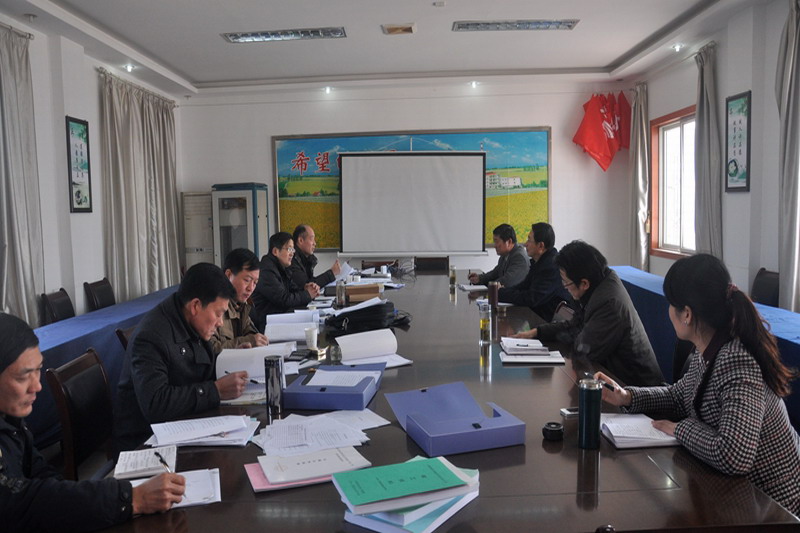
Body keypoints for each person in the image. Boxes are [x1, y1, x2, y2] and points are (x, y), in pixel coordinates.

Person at [596, 254, 800, 514]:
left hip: (775, 507)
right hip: (738, 494)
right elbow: (679, 396)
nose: (668, 311)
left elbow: (734, 455)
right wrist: (627, 396)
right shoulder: (709, 346)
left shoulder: (737, 361)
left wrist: (679, 429)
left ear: (687, 314)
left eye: (671, 304)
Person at [0, 313, 185, 531]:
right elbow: (20, 502)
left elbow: (42, 476)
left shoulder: (10, 418)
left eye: (38, 369)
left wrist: (86, 502)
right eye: (23, 377)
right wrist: (131, 498)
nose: (37, 386)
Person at [114, 263, 248, 452]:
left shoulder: (188, 320)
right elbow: (156, 404)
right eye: (218, 314)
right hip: (146, 443)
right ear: (195, 306)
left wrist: (230, 359)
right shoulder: (151, 336)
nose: (220, 323)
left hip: (182, 425)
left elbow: (201, 365)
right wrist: (215, 391)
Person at [514, 240, 664, 387]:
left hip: (634, 388)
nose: (564, 287)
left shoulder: (608, 303)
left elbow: (585, 349)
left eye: (566, 282)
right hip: (610, 377)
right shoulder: (599, 283)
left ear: (584, 283)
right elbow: (575, 326)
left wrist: (572, 335)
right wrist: (537, 332)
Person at [497, 222, 572, 321]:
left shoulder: (551, 266)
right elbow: (523, 286)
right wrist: (501, 292)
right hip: (536, 316)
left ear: (540, 246)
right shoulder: (538, 262)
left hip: (546, 321)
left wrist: (501, 293)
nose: (525, 244)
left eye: (529, 240)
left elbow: (532, 298)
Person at [251, 232, 321, 332]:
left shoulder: (282, 267)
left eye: (293, 250)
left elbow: (292, 290)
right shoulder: (266, 270)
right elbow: (283, 299)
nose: (292, 253)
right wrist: (307, 294)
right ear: (275, 251)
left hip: (280, 319)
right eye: (289, 249)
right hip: (268, 326)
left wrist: (305, 289)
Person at [210, 248, 269, 354]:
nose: (251, 288)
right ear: (228, 275)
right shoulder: (214, 304)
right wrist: (249, 341)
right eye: (247, 280)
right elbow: (210, 349)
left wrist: (257, 339)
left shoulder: (241, 305)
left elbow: (250, 331)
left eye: (255, 283)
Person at [288, 224, 341, 288]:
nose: (315, 243)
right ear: (300, 240)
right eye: (312, 239)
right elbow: (307, 286)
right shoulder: (291, 260)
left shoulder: (306, 259)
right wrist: (331, 273)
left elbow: (310, 282)